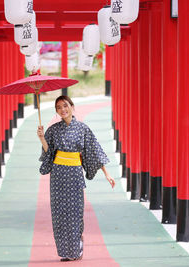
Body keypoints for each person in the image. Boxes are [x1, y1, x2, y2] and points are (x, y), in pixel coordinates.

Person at [37, 95, 116, 262]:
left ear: (72, 106)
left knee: (74, 212)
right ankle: (65, 251)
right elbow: (49, 153)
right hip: (58, 176)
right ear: (56, 111)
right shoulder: (53, 130)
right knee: (59, 214)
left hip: (74, 175)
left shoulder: (82, 129)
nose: (63, 109)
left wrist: (106, 173)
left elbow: (94, 151)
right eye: (59, 107)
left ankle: (76, 248)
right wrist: (42, 138)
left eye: (65, 105)